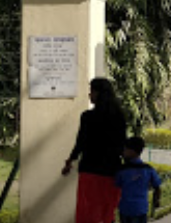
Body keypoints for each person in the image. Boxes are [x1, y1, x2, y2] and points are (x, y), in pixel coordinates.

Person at [62, 78, 127, 223]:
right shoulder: (119, 116)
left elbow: (81, 143)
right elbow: (122, 144)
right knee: (107, 212)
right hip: (111, 171)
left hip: (90, 170)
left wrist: (70, 161)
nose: (89, 95)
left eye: (91, 91)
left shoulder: (87, 117)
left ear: (99, 93)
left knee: (87, 212)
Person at [115, 137, 163, 224]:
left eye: (125, 149)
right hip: (141, 208)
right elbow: (157, 186)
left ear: (131, 151)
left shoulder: (122, 171)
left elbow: (117, 185)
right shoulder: (148, 169)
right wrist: (156, 201)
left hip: (125, 209)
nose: (123, 152)